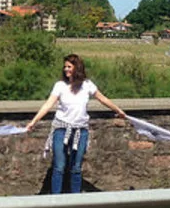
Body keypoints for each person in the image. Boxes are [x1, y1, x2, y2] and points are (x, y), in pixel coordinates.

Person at [26, 54, 126, 194]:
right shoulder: (60, 86)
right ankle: (55, 199)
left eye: (69, 67)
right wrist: (33, 121)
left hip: (80, 130)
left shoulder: (87, 85)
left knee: (76, 167)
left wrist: (118, 110)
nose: (66, 69)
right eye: (65, 67)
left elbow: (102, 99)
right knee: (59, 166)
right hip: (61, 129)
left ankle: (76, 199)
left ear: (77, 68)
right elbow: (48, 104)